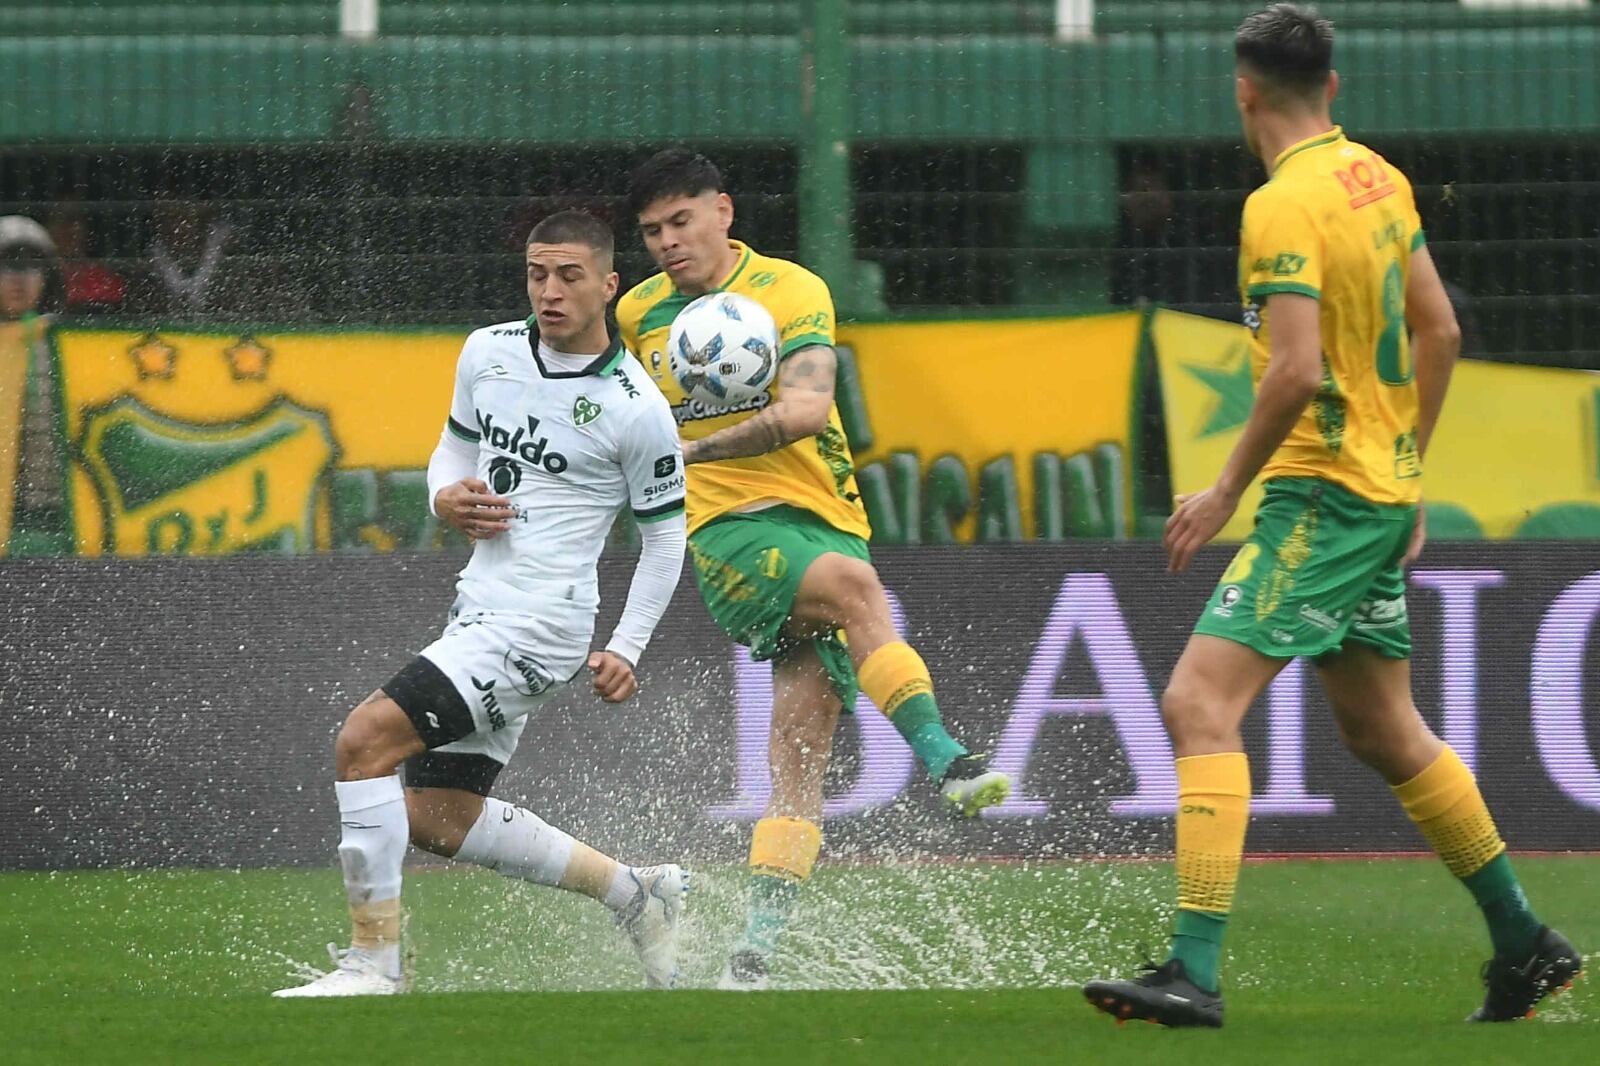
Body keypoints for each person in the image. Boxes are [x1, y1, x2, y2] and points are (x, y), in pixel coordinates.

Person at [1083, 5, 1580, 1028]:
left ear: (1243, 91)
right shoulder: (1377, 180)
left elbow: (1296, 372)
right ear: (1334, 89)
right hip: (1376, 489)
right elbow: (1437, 328)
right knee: (1381, 724)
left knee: (1196, 705)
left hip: (1321, 497)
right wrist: (1407, 469)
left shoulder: (1280, 207)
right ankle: (1523, 939)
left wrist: (1223, 488)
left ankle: (1193, 969)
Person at [616, 149, 1012, 991]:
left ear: (723, 211)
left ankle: (752, 953)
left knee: (801, 750)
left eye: (680, 222)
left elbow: (806, 410)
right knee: (858, 593)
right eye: (652, 232)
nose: (667, 244)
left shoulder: (792, 292)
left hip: (826, 519)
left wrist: (699, 442)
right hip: (726, 531)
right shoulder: (636, 315)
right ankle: (949, 760)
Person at [274, 210, 691, 997]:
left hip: (541, 627)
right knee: (437, 816)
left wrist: (628, 647)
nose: (550, 291)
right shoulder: (488, 351)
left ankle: (374, 964)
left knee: (363, 742)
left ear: (609, 285)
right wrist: (444, 497)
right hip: (479, 611)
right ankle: (637, 894)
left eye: (569, 276)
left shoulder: (637, 407)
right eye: (538, 273)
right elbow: (453, 449)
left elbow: (667, 540)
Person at [0, 215, 68, 555]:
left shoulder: (65, 347)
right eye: (7, 265)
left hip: (54, 517)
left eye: (31, 266)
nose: (19, 278)